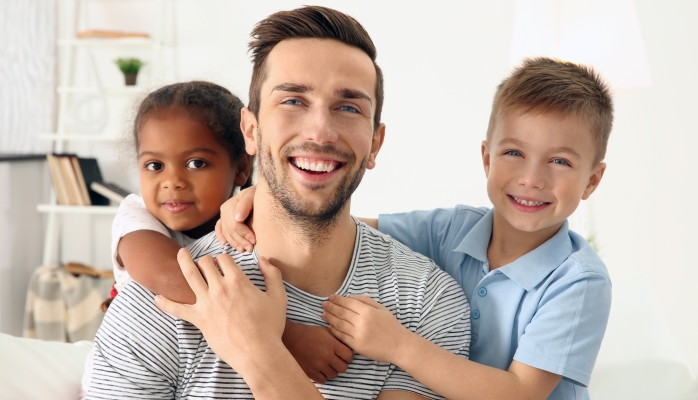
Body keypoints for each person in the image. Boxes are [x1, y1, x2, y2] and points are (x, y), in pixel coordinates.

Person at [87, 6, 470, 400]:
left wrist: (259, 350)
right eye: (293, 101)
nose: (320, 132)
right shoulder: (156, 304)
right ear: (251, 131)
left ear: (374, 143)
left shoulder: (427, 304)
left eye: (349, 107)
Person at [221, 57, 614, 400]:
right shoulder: (456, 228)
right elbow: (345, 227)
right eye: (514, 153)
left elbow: (520, 393)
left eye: (559, 162)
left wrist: (397, 345)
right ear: (487, 159)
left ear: (592, 181)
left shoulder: (579, 281)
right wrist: (260, 200)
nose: (531, 179)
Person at [79, 80, 254, 397]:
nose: (172, 181)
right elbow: (172, 276)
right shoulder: (137, 216)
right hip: (139, 371)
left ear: (241, 168)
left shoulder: (246, 212)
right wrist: (285, 334)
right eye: (154, 165)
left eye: (196, 163)